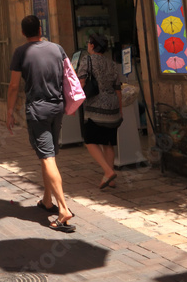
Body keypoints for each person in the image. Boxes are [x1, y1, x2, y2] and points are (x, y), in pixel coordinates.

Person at [7, 15, 75, 232]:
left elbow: (13, 86)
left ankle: (63, 209)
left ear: (23, 32)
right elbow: (68, 75)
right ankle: (47, 200)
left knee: (47, 157)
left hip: (37, 110)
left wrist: (9, 111)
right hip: (57, 107)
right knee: (50, 155)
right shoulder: (57, 48)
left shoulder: (21, 53)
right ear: (40, 28)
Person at [76, 34, 123, 189]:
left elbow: (81, 82)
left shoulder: (87, 61)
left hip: (95, 107)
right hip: (112, 107)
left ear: (91, 45)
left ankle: (108, 171)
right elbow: (118, 89)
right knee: (108, 143)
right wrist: (120, 110)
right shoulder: (112, 64)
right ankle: (110, 178)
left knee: (90, 141)